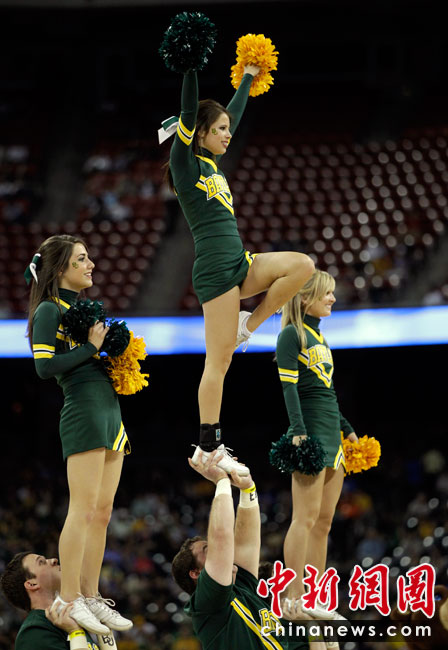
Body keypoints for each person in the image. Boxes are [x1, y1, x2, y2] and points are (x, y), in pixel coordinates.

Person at [166, 63, 315, 473]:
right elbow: (188, 109)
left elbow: (232, 112)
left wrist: (248, 76)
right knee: (218, 363)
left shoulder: (214, 163)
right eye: (219, 129)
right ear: (199, 133)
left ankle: (247, 326)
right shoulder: (185, 164)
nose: (228, 134)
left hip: (240, 261)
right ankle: (207, 445)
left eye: (228, 129)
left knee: (302, 266)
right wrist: (191, 67)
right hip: (215, 270)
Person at [25, 234, 132, 635]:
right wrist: (90, 348)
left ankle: (90, 594)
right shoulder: (49, 310)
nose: (91, 265)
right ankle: (69, 597)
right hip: (83, 411)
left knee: (103, 513)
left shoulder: (83, 309)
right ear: (60, 269)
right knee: (83, 510)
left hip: (110, 412)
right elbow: (44, 367)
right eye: (82, 259)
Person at [275, 270, 358, 618]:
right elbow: (290, 389)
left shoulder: (320, 336)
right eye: (327, 293)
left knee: (324, 522)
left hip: (332, 436)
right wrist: (298, 429)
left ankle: (315, 596)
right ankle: (293, 596)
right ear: (305, 297)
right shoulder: (291, 335)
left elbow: (327, 391)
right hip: (309, 434)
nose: (333, 298)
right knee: (304, 519)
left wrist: (346, 428)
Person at [171, 451, 311, 650]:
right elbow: (221, 535)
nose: (219, 551)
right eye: (207, 549)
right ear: (196, 573)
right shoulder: (207, 602)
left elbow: (247, 544)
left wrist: (247, 490)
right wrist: (221, 481)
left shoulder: (242, 586)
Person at [0, 551, 117, 649]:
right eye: (42, 562)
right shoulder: (33, 632)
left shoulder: (70, 621)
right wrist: (76, 633)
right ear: (32, 584)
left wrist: (104, 631)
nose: (54, 560)